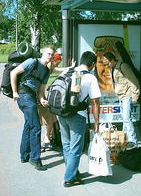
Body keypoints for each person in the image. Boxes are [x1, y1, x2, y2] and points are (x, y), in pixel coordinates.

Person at [57, 51, 101, 187]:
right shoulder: (90, 78)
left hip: (61, 113)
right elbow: (95, 102)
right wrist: (96, 122)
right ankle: (69, 178)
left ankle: (73, 171)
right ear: (93, 64)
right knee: (76, 147)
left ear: (81, 61)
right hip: (77, 115)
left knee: (67, 145)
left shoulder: (68, 71)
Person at [10, 45, 55, 171]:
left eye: (52, 54)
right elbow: (14, 73)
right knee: (36, 126)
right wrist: (14, 92)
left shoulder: (46, 71)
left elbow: (41, 91)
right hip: (23, 95)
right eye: (48, 53)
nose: (50, 56)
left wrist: (42, 100)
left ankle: (24, 155)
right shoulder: (32, 62)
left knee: (29, 125)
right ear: (43, 53)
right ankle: (35, 159)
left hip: (32, 96)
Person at [103, 52, 140, 148]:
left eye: (107, 64)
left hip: (127, 95)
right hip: (121, 96)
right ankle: (125, 139)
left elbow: (133, 81)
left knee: (127, 119)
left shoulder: (123, 67)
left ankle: (133, 141)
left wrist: (135, 95)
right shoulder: (113, 68)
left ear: (112, 60)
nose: (107, 66)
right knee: (125, 119)